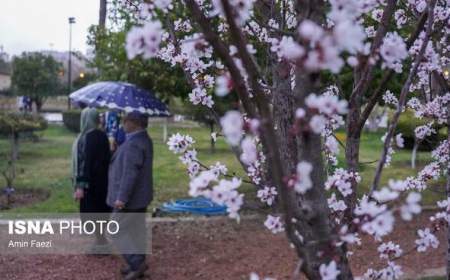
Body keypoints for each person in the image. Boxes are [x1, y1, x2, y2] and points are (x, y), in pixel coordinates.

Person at [107, 112, 153, 280]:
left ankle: (136, 263)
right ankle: (139, 262)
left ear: (134, 123)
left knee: (115, 229)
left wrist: (121, 199)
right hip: (141, 196)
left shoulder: (134, 143)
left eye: (124, 121)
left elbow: (129, 174)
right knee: (135, 230)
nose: (123, 124)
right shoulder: (143, 139)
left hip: (130, 199)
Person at [71, 107, 111, 251]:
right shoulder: (103, 135)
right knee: (101, 212)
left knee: (90, 214)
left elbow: (84, 163)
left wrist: (80, 186)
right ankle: (101, 241)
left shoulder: (84, 138)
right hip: (103, 182)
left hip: (90, 183)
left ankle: (101, 244)